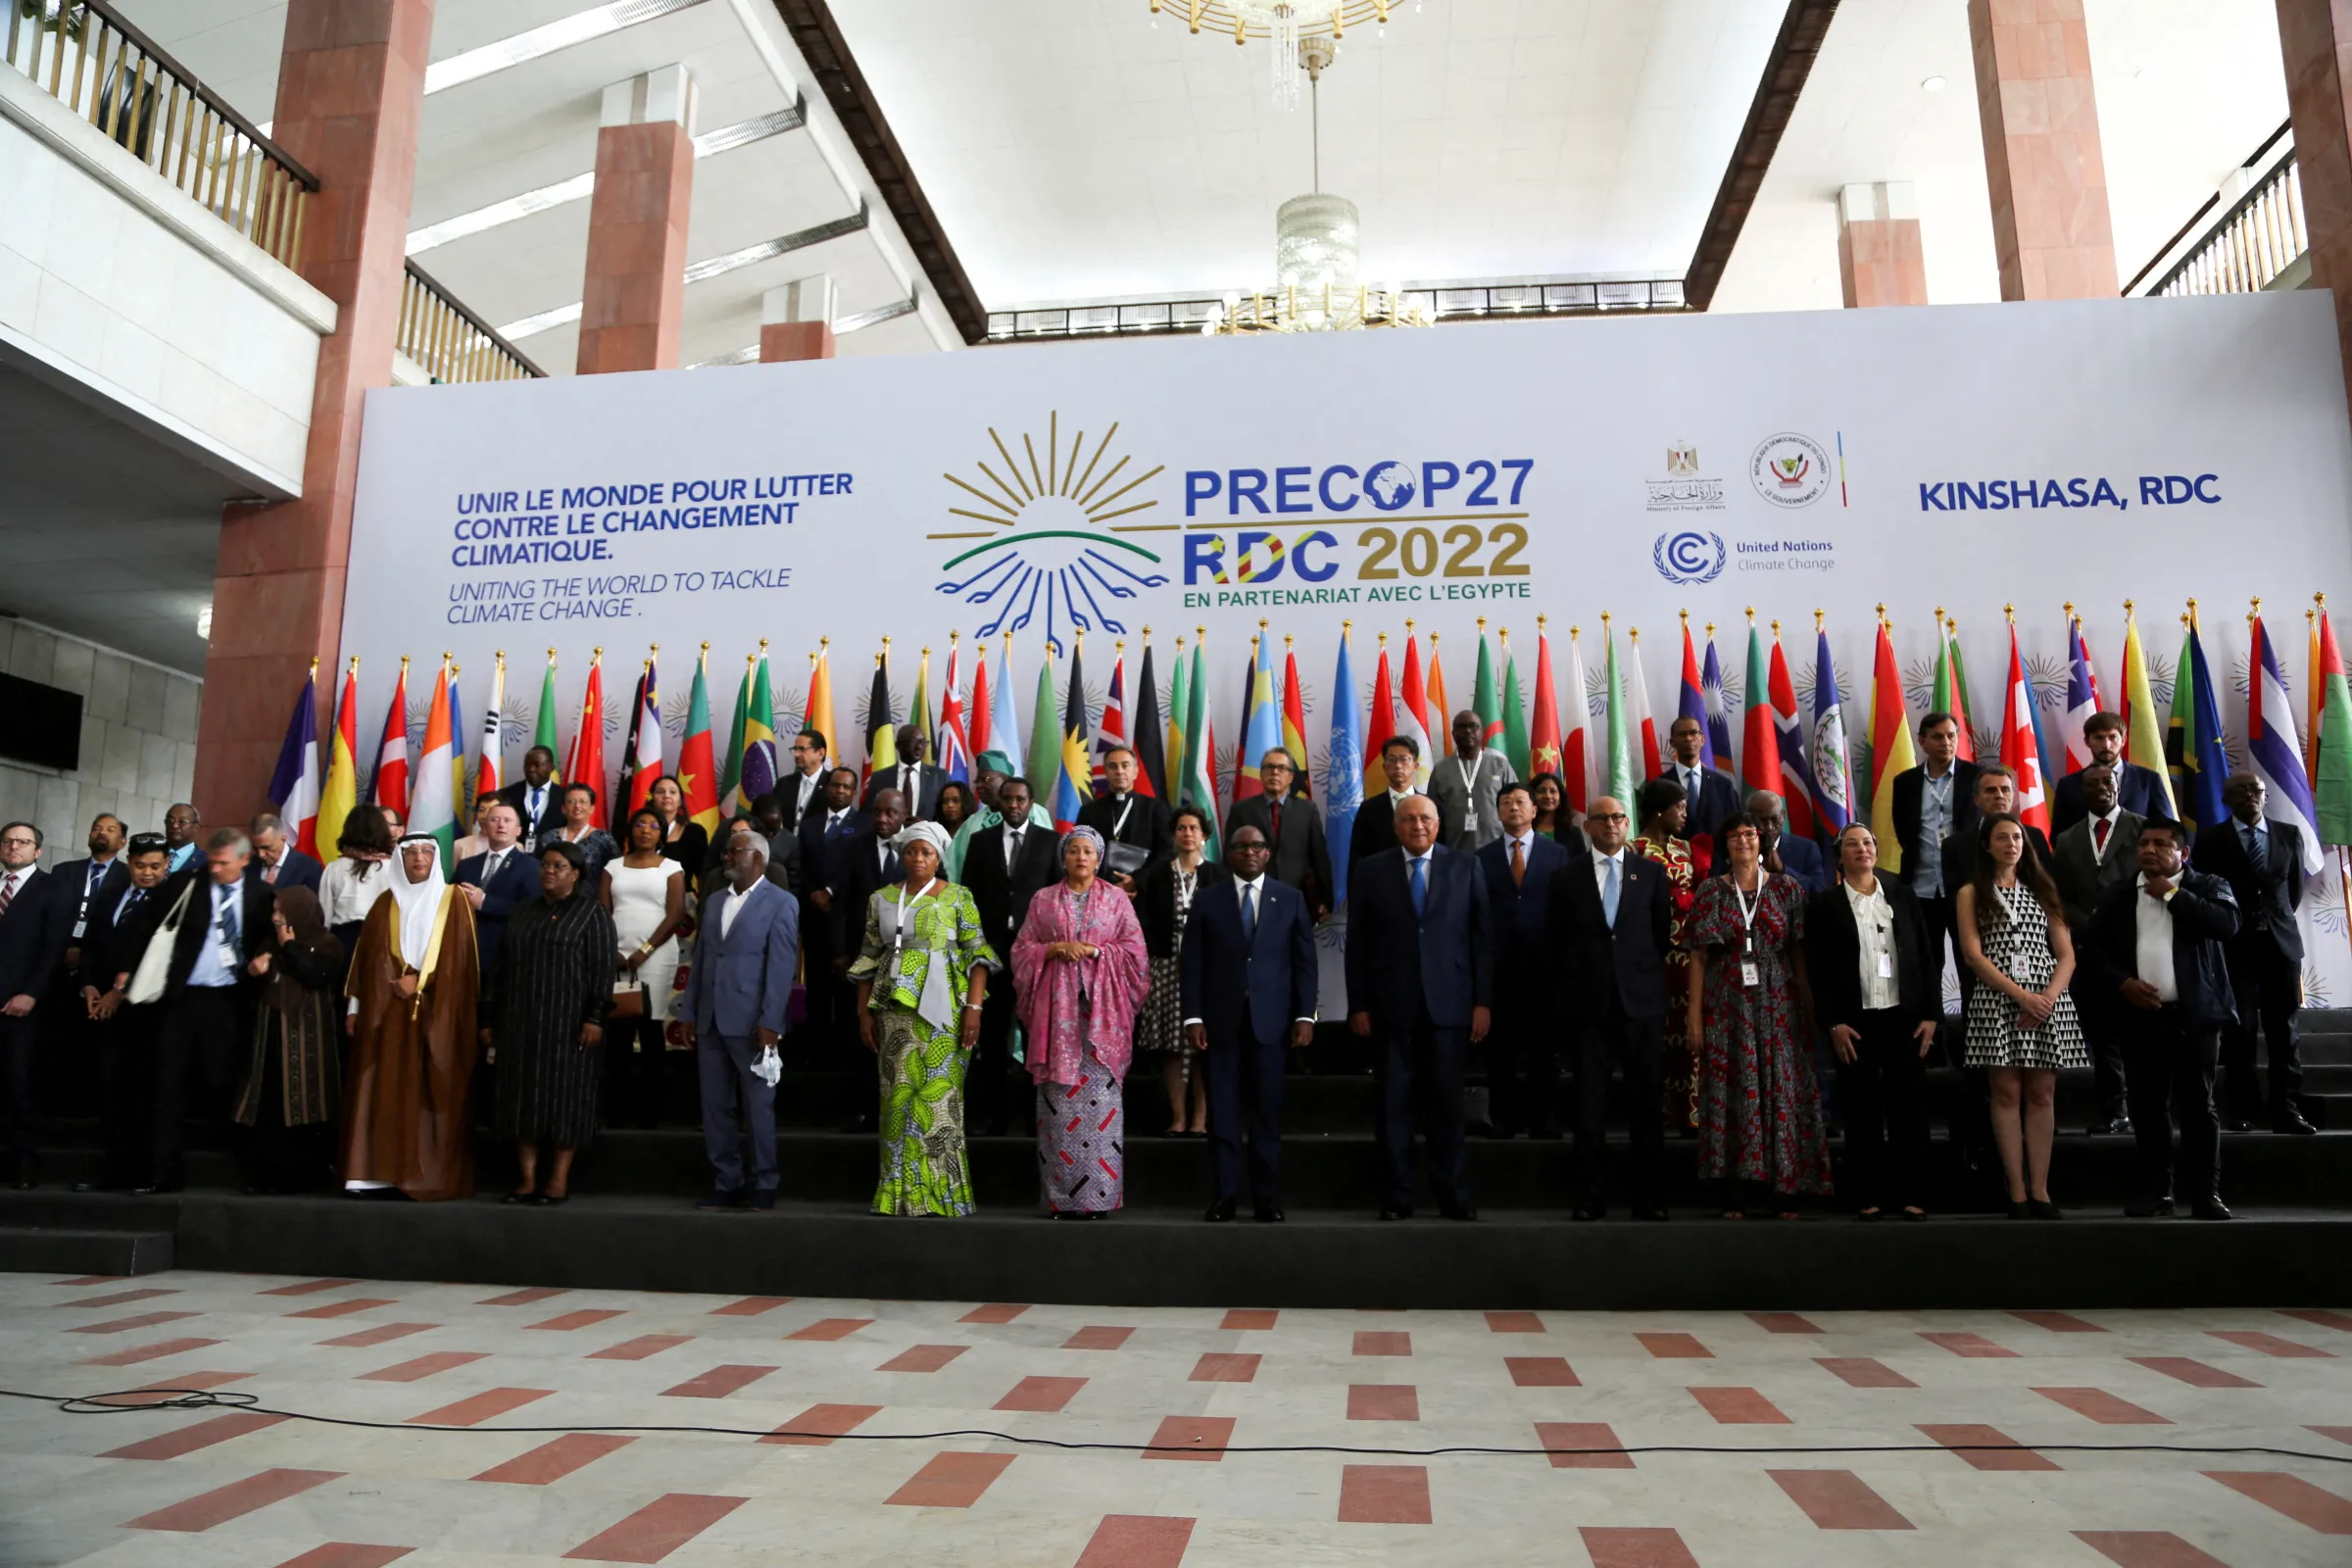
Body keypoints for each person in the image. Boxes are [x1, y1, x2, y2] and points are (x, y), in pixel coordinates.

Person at [1347, 794, 1492, 1221]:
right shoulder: (1372, 870)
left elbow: (1481, 940)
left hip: (1450, 1007)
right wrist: (1359, 1004)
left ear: (1438, 824)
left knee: (1447, 1106)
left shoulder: (1466, 866)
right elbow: (1358, 944)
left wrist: (1482, 1002)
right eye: (1408, 819)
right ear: (1396, 826)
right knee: (1394, 1106)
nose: (1418, 825)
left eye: (1425, 818)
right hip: (1391, 1008)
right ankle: (1397, 1196)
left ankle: (1452, 1194)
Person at [2088, 816, 2239, 1220]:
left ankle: (2206, 1195)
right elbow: (2095, 953)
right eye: (2143, 844)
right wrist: (2123, 983)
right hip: (2141, 1019)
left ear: (2182, 853)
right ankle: (2159, 1193)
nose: (2149, 851)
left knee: (2198, 1108)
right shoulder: (2119, 894)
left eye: (2160, 844)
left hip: (2195, 1018)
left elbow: (2227, 924)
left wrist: (2173, 894)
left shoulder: (2207, 886)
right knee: (2148, 1108)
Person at [849, 820, 998, 1215]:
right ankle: (900, 1195)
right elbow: (867, 956)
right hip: (894, 1012)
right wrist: (864, 1013)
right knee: (897, 1099)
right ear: (902, 855)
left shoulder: (959, 897)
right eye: (912, 851)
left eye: (927, 853)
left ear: (939, 857)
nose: (918, 859)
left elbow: (978, 956)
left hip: (946, 1011)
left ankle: (943, 1194)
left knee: (940, 1102)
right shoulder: (881, 897)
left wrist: (975, 1009)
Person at [1688, 812, 1830, 1219]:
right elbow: (1698, 957)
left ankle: (1785, 1191)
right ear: (1725, 845)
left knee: (1783, 1091)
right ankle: (1737, 1192)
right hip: (1727, 1003)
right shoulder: (1712, 891)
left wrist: (1808, 1003)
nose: (1743, 842)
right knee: (1733, 1092)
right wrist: (1694, 1018)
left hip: (1779, 1001)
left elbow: (1799, 952)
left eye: (1750, 834)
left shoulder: (1787, 889)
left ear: (1762, 840)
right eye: (1733, 836)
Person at [1012, 825, 1151, 1218]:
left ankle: (1100, 1200)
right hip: (1058, 1022)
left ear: (1099, 858)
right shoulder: (1042, 900)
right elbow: (1022, 951)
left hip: (1100, 1024)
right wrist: (1055, 948)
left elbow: (1135, 953)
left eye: (1088, 852)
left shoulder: (1116, 900)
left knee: (1102, 1109)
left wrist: (1095, 952)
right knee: (1057, 1109)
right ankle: (1061, 1200)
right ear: (1064, 857)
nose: (1081, 858)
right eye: (1074, 851)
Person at [130, 828, 277, 1195]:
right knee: (168, 1084)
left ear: (245, 860)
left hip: (229, 1001)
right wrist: (126, 969)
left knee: (224, 1080)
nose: (215, 868)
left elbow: (267, 936)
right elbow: (147, 926)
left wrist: (265, 957)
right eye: (212, 861)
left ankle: (238, 1171)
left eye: (224, 863)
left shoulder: (260, 895)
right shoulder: (185, 884)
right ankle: (163, 1174)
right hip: (181, 999)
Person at [1182, 823, 1316, 1222]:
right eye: (1241, 846)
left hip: (1272, 1025)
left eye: (1257, 846)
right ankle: (1224, 1196)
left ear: (1268, 853)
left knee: (1267, 1113)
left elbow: (1304, 964)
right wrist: (1193, 1016)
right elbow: (1193, 964)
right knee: (1221, 1113)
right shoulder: (1207, 901)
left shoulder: (1290, 900)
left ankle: (1265, 1198)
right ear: (1230, 854)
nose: (1250, 852)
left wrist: (1305, 1014)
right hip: (1218, 1024)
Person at [1550, 795, 1675, 1218]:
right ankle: (1590, 1200)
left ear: (1628, 824)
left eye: (1618, 818)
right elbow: (1558, 941)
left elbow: (1660, 936)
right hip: (1588, 1007)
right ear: (1588, 828)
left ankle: (1650, 1200)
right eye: (1601, 819)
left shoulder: (1652, 874)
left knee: (1646, 1104)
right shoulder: (1565, 877)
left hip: (1641, 1004)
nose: (1610, 825)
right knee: (1589, 1106)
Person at [1808, 824, 1941, 1220]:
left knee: (1910, 1109)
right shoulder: (1825, 905)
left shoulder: (1901, 896)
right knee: (1861, 1110)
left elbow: (1927, 956)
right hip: (1856, 1023)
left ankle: (1913, 1194)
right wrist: (1832, 1023)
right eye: (1852, 844)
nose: (1862, 849)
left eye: (1867, 843)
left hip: (1906, 1018)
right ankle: (1868, 1195)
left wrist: (1932, 1014)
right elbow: (1819, 971)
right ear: (1840, 856)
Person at [339, 834, 481, 1200]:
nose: (419, 858)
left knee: (427, 1090)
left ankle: (422, 1173)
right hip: (385, 1013)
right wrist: (355, 1007)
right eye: (412, 851)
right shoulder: (384, 902)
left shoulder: (454, 901)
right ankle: (373, 1174)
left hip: (436, 1011)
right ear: (400, 858)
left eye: (427, 851)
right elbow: (365, 961)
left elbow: (460, 961)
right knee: (382, 1086)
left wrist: (420, 981)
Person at [1957, 813, 2084, 1219]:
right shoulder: (1971, 891)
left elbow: (2066, 955)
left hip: (2048, 1002)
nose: (2011, 844)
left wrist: (2045, 997)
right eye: (2002, 837)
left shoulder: (2044, 888)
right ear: (1986, 845)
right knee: (2007, 1094)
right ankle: (2016, 1191)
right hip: (1998, 999)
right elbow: (1973, 956)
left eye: (2017, 837)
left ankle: (2040, 1190)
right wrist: (2020, 996)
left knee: (2041, 1095)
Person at [489, 841, 616, 1205]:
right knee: (521, 1102)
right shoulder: (521, 912)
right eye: (545, 865)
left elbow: (602, 972)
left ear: (575, 875)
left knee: (566, 1103)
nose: (549, 871)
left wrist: (594, 1018)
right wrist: (489, 1018)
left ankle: (557, 1181)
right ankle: (527, 1181)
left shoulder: (592, 914)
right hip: (519, 1023)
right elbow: (499, 970)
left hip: (569, 1026)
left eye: (559, 866)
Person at [680, 833, 799, 1210]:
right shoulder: (715, 901)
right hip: (710, 1019)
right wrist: (687, 1012)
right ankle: (726, 1183)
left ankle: (764, 1183)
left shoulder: (782, 902)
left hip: (753, 1024)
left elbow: (781, 968)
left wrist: (771, 1021)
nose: (726, 856)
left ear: (758, 860)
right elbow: (701, 961)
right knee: (715, 1107)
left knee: (757, 1106)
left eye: (735, 851)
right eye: (726, 850)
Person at [2193, 772, 2315, 1134]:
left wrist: (2271, 920)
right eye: (2239, 791)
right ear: (2226, 799)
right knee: (2240, 1030)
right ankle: (2242, 1108)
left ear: (2265, 797)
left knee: (2284, 1031)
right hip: (2234, 946)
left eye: (2256, 790)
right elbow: (2205, 890)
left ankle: (2286, 1109)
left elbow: (2292, 892)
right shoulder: (2211, 839)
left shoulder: (2288, 834)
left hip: (2281, 944)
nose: (2249, 795)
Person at [959, 775, 1058, 1136]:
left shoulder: (1051, 842)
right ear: (998, 803)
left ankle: (1037, 1120)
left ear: (1031, 803)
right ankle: (994, 1116)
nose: (1014, 805)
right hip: (993, 954)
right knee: (993, 1036)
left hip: (1036, 955)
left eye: (1020, 799)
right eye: (1008, 799)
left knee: (1036, 1038)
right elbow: (968, 896)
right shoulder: (980, 841)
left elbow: (1058, 895)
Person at [74, 833, 172, 1193]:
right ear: (128, 862)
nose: (147, 873)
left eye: (155, 866)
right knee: (109, 1094)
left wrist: (121, 992)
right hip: (102, 1011)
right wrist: (89, 986)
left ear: (167, 865)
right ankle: (111, 1172)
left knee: (141, 1097)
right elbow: (91, 948)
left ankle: (143, 1174)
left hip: (146, 1016)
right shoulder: (113, 892)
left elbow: (160, 958)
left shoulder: (172, 902)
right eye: (140, 865)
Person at [232, 885, 342, 1194]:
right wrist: (253, 973)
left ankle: (308, 1178)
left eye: (282, 911)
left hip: (309, 1038)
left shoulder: (327, 943)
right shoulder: (268, 944)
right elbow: (247, 992)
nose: (277, 918)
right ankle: (267, 1177)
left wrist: (291, 947)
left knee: (309, 1105)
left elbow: (316, 975)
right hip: (270, 1039)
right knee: (270, 1105)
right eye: (275, 911)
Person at [2052, 764, 2142, 1137]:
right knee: (2102, 1037)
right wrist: (2089, 922)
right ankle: (2114, 1111)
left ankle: (2144, 1110)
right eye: (2092, 784)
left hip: (2137, 946)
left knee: (2138, 1037)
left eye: (2107, 781)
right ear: (2081, 792)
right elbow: (2061, 895)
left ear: (2118, 785)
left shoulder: (2143, 829)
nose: (2101, 788)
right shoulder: (2067, 838)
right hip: (2089, 949)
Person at [1479, 783, 1571, 1138]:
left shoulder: (1558, 855)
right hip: (1499, 969)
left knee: (1544, 1052)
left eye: (1520, 802)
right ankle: (1503, 1120)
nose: (1513, 807)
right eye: (1505, 802)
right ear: (1498, 811)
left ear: (1535, 810)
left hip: (1545, 969)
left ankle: (1544, 1120)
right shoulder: (1481, 857)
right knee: (1500, 1053)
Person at [1138, 806, 1222, 1138]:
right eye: (1182, 828)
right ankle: (1178, 1117)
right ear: (1174, 835)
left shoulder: (1217, 876)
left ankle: (1200, 1119)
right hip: (1167, 968)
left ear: (1204, 836)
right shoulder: (1158, 874)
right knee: (1173, 1047)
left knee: (1203, 1047)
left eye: (1194, 828)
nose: (1188, 834)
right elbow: (1145, 921)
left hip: (1207, 972)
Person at [602, 808, 687, 1130]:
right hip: (617, 958)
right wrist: (614, 952)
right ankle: (617, 1110)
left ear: (662, 833)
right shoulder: (612, 867)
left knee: (651, 1033)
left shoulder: (672, 867)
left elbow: (676, 913)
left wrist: (644, 951)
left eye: (654, 825)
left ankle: (653, 1111)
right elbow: (604, 911)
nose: (646, 830)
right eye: (640, 823)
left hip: (655, 957)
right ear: (630, 830)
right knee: (619, 1033)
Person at [830, 789, 907, 1128]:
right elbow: (841, 904)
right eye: (877, 812)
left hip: (906, 961)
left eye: (890, 813)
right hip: (862, 957)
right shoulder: (854, 847)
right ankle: (862, 1107)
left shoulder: (916, 850)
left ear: (904, 814)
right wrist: (839, 951)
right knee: (861, 1032)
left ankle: (898, 1109)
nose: (882, 819)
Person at [1891, 711, 1981, 988]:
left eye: (1951, 736)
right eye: (1938, 737)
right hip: (1921, 886)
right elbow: (1904, 831)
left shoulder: (1976, 776)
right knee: (1926, 963)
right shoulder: (1905, 782)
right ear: (1922, 741)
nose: (1946, 742)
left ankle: (1973, 1027)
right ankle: (1932, 1029)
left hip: (1965, 887)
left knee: (1971, 962)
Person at [0, 822, 67, 1189]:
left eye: (23, 842)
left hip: (23, 1004)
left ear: (37, 851)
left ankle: (23, 1165)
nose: (14, 847)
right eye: (8, 841)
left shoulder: (51, 888)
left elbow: (53, 948)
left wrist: (32, 993)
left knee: (19, 1084)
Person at [1630, 779, 1698, 1132]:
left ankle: (1689, 1113)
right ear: (1659, 810)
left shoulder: (1687, 849)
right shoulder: (1633, 849)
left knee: (1688, 1033)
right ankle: (1656, 1113)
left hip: (1686, 956)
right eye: (1679, 808)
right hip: (1651, 954)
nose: (1685, 814)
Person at [798, 766, 868, 1047]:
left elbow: (862, 870)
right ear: (826, 788)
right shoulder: (808, 825)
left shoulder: (865, 824)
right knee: (816, 984)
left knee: (847, 985)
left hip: (849, 919)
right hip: (815, 917)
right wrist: (813, 891)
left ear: (854, 792)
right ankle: (817, 1046)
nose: (840, 791)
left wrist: (830, 891)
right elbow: (799, 866)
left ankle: (846, 1046)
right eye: (836, 785)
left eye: (847, 787)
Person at [1226, 749, 1334, 918]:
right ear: (1261, 774)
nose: (1275, 772)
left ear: (1291, 777)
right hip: (1253, 900)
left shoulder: (1307, 810)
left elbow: (1318, 856)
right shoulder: (1242, 810)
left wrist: (1326, 899)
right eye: (1269, 767)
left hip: (1297, 898)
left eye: (1281, 768)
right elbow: (1230, 856)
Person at [453, 804, 539, 982]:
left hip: (506, 958)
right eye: (495, 820)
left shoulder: (532, 867)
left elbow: (531, 911)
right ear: (485, 827)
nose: (501, 825)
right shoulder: (467, 865)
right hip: (464, 953)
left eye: (507, 821)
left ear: (518, 830)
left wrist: (485, 902)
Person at [1940, 764, 2056, 892]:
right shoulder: (1954, 846)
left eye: (2005, 789)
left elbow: (2049, 886)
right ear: (1976, 799)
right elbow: (1954, 900)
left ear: (2013, 795)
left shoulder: (2034, 837)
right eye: (1991, 790)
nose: (1999, 795)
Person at [1078, 745, 1173, 895]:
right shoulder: (1089, 811)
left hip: (1143, 892)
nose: (1119, 771)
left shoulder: (1155, 808)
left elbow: (1166, 852)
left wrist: (1137, 880)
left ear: (1135, 771)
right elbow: (1080, 850)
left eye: (1125, 765)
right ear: (1106, 772)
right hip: (1097, 892)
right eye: (1113, 766)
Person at [2051, 711, 2168, 834]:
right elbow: (2059, 836)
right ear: (2087, 741)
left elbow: (2166, 828)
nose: (2106, 745)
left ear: (2123, 740)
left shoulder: (2148, 780)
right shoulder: (2068, 785)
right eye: (2099, 738)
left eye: (2112, 737)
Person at [946, 753, 1052, 883]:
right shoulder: (972, 823)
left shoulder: (1035, 812)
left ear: (1005, 780)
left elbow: (1046, 861)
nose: (979, 785)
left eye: (986, 779)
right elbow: (954, 868)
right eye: (977, 781)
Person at [318, 805, 397, 965]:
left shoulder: (334, 869)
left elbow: (324, 917)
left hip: (343, 944)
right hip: (384, 944)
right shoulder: (395, 868)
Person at [1429, 710, 1517, 852]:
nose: (1468, 730)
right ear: (1453, 734)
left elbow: (1516, 803)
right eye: (1461, 727)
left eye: (1473, 726)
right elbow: (1432, 814)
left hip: (1498, 850)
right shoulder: (1441, 770)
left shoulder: (1500, 765)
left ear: (1482, 732)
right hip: (1454, 851)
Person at [1656, 714, 1741, 854]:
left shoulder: (1723, 786)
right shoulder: (1660, 787)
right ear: (1672, 742)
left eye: (1693, 733)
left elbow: (1735, 829)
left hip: (1717, 868)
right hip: (1673, 866)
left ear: (1702, 739)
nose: (1689, 738)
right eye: (1682, 734)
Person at [1348, 736, 1424, 870]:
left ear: (1415, 766)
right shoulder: (1368, 809)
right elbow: (1357, 858)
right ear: (1384, 766)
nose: (1398, 765)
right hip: (1381, 883)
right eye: (1392, 759)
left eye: (1404, 759)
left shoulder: (1429, 806)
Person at [1741, 790, 1831, 895]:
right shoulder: (1737, 848)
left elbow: (1818, 890)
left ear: (1783, 815)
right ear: (1748, 818)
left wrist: (1783, 870)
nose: (1770, 827)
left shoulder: (1806, 848)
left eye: (1774, 819)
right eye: (1763, 820)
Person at [644, 775, 710, 897]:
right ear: (652, 798)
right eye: (660, 792)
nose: (667, 796)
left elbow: (704, 873)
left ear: (680, 801)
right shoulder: (641, 829)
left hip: (681, 899)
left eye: (673, 792)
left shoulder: (693, 832)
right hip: (643, 897)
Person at [866, 723, 946, 820]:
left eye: (923, 742)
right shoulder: (879, 778)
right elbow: (869, 814)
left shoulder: (940, 777)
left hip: (927, 834)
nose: (919, 747)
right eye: (914, 741)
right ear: (898, 745)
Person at [494, 746, 566, 850]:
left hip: (552, 858)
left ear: (551, 768)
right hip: (514, 857)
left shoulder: (564, 796)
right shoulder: (506, 794)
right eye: (527, 765)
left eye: (537, 765)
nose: (531, 769)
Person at [548, 783, 621, 885]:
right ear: (563, 808)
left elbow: (615, 874)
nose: (577, 806)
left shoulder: (604, 840)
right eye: (571, 801)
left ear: (592, 808)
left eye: (583, 802)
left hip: (590, 898)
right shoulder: (548, 838)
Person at [246, 812, 323, 893]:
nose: (261, 854)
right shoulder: (247, 865)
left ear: (283, 838)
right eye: (255, 848)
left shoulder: (309, 868)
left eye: (266, 848)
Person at [777, 728, 832, 834]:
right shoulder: (783, 784)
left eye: (802, 749)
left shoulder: (831, 785)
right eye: (795, 749)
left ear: (820, 753)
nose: (796, 754)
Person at [1528, 774, 1579, 846]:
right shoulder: (1521, 829)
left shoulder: (1573, 833)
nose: (1548, 796)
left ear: (1561, 797)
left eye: (1553, 791)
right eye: (1542, 791)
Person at [163, 803, 202, 873]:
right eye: (170, 821)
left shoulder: (204, 862)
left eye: (182, 822)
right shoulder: (152, 853)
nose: (174, 825)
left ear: (195, 828)